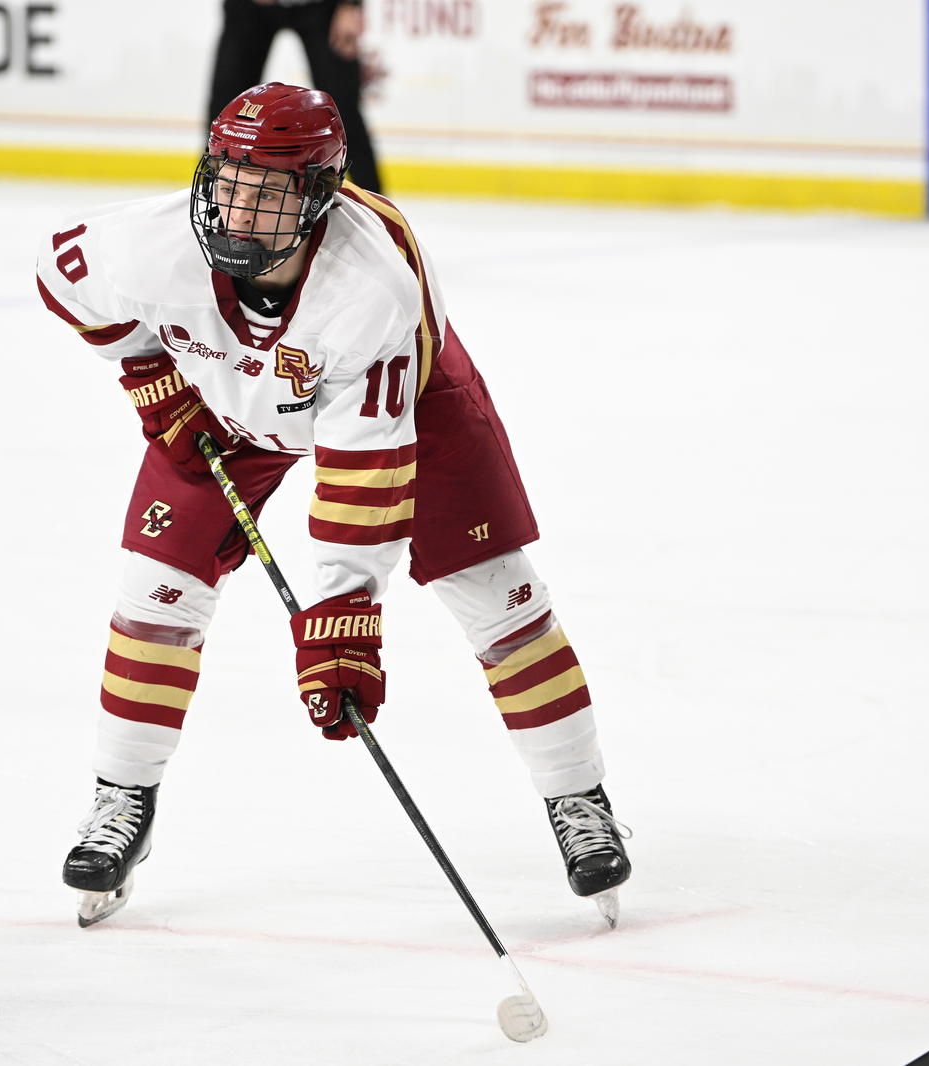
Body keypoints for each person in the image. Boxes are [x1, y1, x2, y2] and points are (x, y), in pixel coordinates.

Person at [36, 82, 629, 929]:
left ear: (317, 197)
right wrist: (146, 370)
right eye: (230, 180)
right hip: (222, 401)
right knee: (153, 596)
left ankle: (580, 801)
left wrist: (345, 611)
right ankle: (121, 799)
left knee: (501, 599)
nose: (239, 209)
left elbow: (362, 475)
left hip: (410, 405)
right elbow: (60, 277)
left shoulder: (370, 290)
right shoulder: (149, 245)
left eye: (269, 191)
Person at [206, 0, 382, 193]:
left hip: (323, 6)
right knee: (225, 108)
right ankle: (209, 195)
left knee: (344, 110)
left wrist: (350, 5)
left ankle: (375, 208)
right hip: (252, 7)